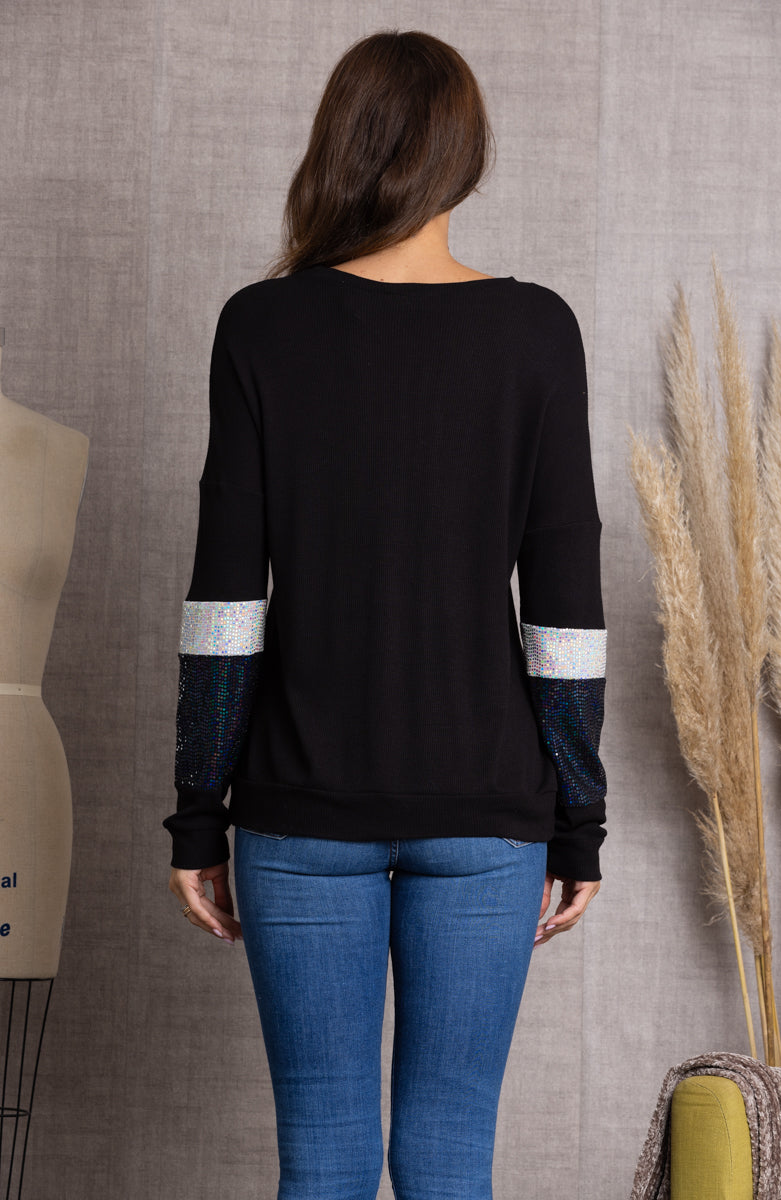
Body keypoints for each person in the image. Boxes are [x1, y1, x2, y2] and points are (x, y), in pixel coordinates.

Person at [164, 27, 607, 1200]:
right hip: (488, 814)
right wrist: (578, 818)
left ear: (339, 149)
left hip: (299, 809)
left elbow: (224, 603)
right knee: (450, 1158)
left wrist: (198, 815)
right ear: (464, 154)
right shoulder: (536, 330)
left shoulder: (262, 326)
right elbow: (563, 607)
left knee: (321, 1156)